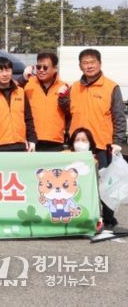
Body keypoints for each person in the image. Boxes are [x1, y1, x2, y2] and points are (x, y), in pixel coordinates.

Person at [61, 48, 126, 228]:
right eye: (85, 63)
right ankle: (82, 215)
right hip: (79, 146)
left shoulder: (111, 87)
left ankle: (108, 218)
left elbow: (119, 116)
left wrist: (118, 141)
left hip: (102, 144)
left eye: (92, 62)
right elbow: (66, 112)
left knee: (105, 184)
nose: (89, 66)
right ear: (80, 66)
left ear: (100, 63)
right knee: (79, 182)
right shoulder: (74, 87)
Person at [0, 56, 37, 152]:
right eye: (0, 71)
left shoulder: (21, 92)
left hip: (20, 145)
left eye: (7, 70)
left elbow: (28, 118)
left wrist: (32, 140)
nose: (5, 74)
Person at [19, 52, 69, 152]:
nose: (41, 70)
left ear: (55, 68)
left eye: (45, 67)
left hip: (55, 142)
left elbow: (69, 112)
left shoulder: (64, 87)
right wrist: (22, 79)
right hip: (32, 141)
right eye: (38, 67)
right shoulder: (28, 84)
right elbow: (9, 91)